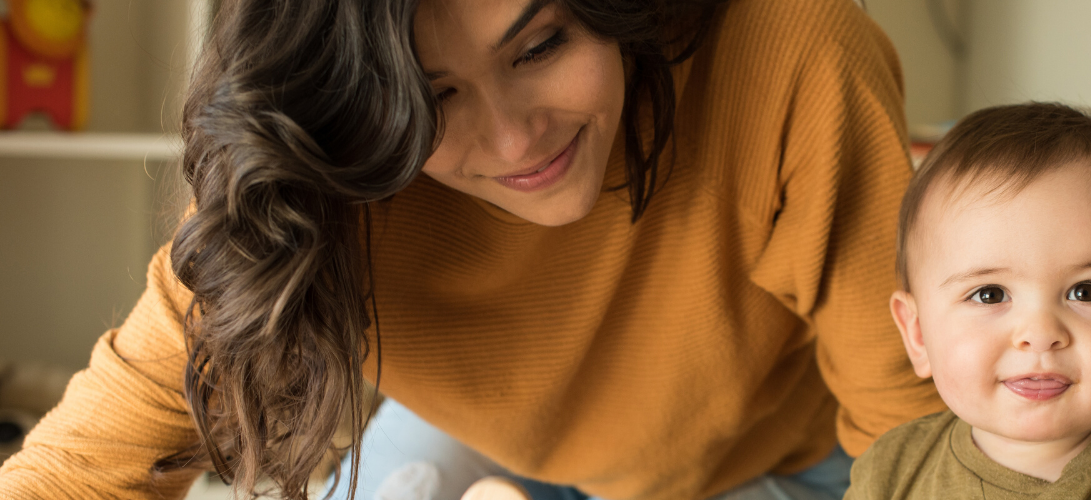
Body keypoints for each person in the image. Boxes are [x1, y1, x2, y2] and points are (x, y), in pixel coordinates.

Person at [0, 0, 948, 499]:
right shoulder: (319, 176)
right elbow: (82, 467)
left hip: (775, 458)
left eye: (538, 45)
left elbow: (922, 447)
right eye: (433, 96)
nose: (513, 141)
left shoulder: (789, 52)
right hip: (500, 444)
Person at [844, 103, 1091, 499]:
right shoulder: (891, 471)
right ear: (917, 334)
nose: (1040, 334)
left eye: (1086, 291)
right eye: (990, 294)